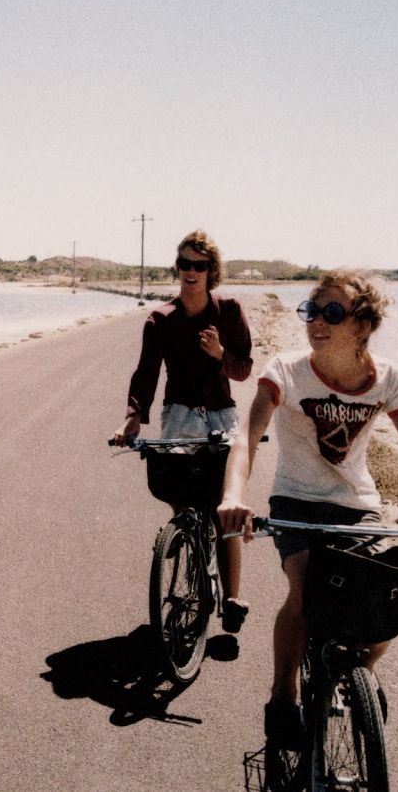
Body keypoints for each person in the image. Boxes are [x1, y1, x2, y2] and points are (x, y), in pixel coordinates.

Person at [217, 268, 398, 746]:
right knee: (305, 592)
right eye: (311, 310)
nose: (317, 321)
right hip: (296, 502)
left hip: (358, 507)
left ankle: (361, 675)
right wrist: (233, 497)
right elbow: (246, 441)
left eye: (332, 312)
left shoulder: (387, 378)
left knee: (380, 605)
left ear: (363, 324)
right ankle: (283, 695)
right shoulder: (285, 370)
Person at [111, 229, 253, 633]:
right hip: (179, 414)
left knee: (225, 510)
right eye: (184, 263)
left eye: (200, 265)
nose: (191, 271)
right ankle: (184, 534)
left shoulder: (229, 311)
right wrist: (133, 416)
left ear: (211, 270)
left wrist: (220, 354)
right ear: (177, 267)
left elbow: (244, 369)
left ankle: (232, 598)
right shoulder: (161, 319)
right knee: (180, 488)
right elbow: (146, 373)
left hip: (221, 415)